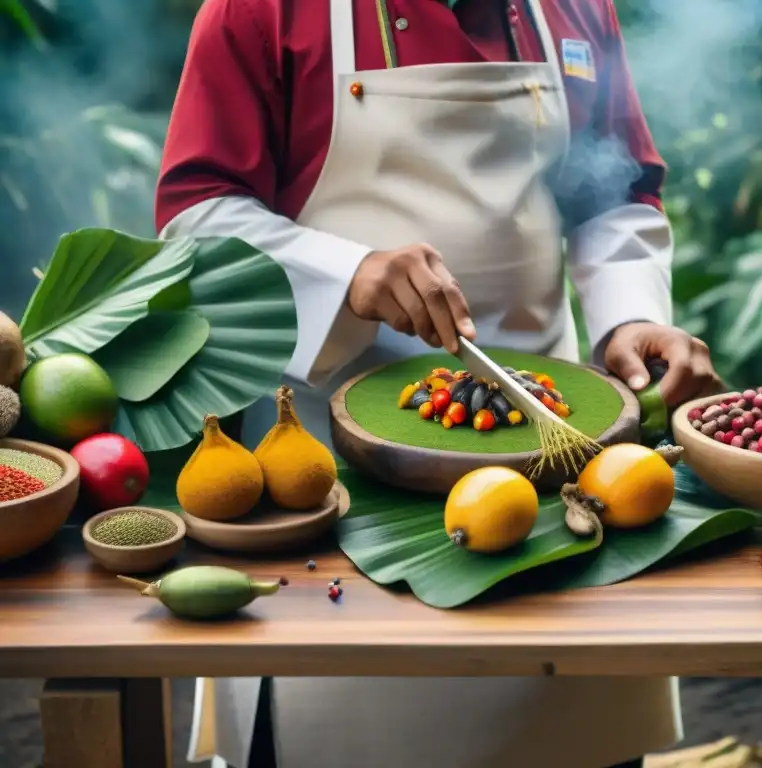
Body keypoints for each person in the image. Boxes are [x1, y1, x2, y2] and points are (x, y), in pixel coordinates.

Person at [156, 0, 723, 766]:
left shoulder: (576, 10)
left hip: (559, 470)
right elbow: (196, 217)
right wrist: (346, 272)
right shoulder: (260, 11)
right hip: (329, 472)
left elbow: (613, 193)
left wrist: (628, 318)